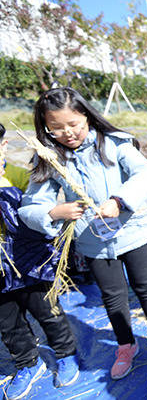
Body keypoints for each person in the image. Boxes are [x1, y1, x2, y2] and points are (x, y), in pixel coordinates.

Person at [18, 87, 147, 381]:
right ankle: (126, 345)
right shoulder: (51, 159)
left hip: (133, 230)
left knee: (145, 286)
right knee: (112, 295)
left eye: (73, 124)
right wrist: (53, 213)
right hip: (92, 240)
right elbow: (30, 206)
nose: (67, 133)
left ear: (86, 117)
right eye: (56, 128)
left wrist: (119, 200)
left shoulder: (114, 144)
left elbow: (144, 173)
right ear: (46, 128)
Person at [0, 123, 79, 399]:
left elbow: (38, 212)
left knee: (47, 311)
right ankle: (27, 363)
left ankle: (66, 354)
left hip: (29, 260)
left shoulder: (22, 177)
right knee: (7, 321)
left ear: (4, 146)